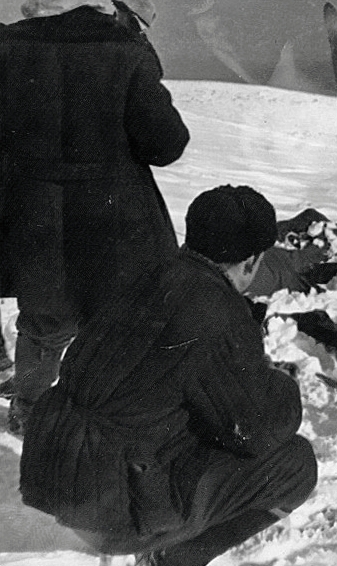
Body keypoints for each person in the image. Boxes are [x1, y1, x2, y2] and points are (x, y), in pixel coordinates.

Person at [19, 185, 318, 566]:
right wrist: (282, 384)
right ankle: (174, 559)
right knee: (295, 465)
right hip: (109, 511)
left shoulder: (144, 274)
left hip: (51, 473)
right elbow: (256, 431)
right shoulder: (216, 309)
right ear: (251, 262)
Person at [0, 0, 190, 434]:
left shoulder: (8, 44)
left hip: (33, 214)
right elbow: (167, 145)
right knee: (115, 323)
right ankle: (106, 418)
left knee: (42, 322)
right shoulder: (125, 46)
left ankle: (31, 413)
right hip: (114, 218)